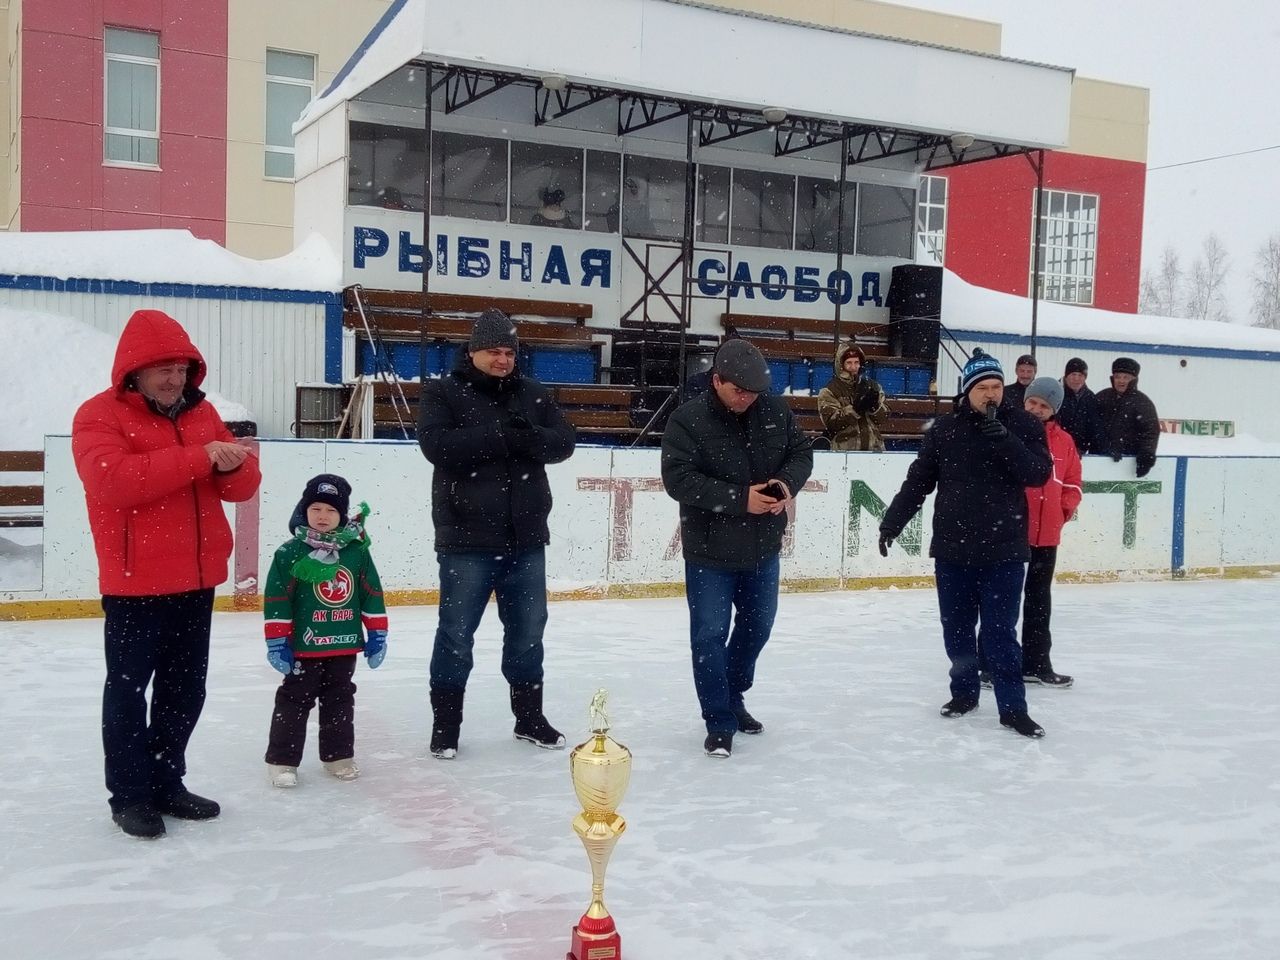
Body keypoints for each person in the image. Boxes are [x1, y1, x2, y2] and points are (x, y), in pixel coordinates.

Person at [72, 309, 262, 839]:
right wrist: (200, 458)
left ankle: (166, 781)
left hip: (196, 581)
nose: (175, 379)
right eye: (163, 369)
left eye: (181, 368)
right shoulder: (98, 416)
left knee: (184, 691)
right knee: (129, 693)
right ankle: (130, 796)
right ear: (133, 370)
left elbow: (243, 486)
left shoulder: (203, 415)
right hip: (136, 584)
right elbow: (116, 482)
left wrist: (234, 465)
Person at [418, 309, 576, 759]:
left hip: (526, 539)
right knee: (455, 635)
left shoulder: (533, 394)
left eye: (509, 352)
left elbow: (563, 442)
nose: (503, 360)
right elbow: (438, 447)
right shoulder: (443, 392)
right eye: (494, 352)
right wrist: (499, 437)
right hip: (466, 539)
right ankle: (446, 726)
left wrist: (525, 437)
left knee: (528, 634)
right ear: (473, 352)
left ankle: (528, 718)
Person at [878, 350, 1052, 739]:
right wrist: (892, 523)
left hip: (1004, 549)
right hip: (954, 549)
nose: (991, 394)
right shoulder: (945, 430)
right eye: (982, 388)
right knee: (956, 629)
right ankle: (964, 694)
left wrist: (1006, 441)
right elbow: (918, 482)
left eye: (996, 387)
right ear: (968, 390)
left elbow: (1039, 474)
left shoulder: (1023, 424)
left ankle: (1013, 709)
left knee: (1000, 632)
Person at [661, 339, 814, 758]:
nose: (746, 397)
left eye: (753, 390)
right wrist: (738, 499)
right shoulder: (687, 420)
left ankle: (733, 694)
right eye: (738, 389)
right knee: (710, 635)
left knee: (757, 628)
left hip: (763, 547)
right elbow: (678, 479)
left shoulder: (775, 412)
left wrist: (785, 483)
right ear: (717, 381)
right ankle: (719, 719)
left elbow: (801, 452)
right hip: (710, 552)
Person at [262, 475, 388, 787]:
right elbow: (278, 596)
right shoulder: (289, 552)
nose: (322, 516)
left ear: (342, 515)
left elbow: (370, 590)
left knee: (340, 699)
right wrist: (278, 640)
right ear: (303, 511)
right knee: (294, 700)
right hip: (305, 645)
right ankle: (282, 761)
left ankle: (338, 756)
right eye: (315, 508)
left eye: (331, 511)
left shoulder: (356, 551)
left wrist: (378, 633)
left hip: (343, 643)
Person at [980, 378, 1082, 690]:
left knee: (1039, 601)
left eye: (1045, 406)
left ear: (1054, 410)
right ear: (1024, 401)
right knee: (1001, 601)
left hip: (1046, 535)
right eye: (1033, 403)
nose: (1037, 410)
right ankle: (988, 664)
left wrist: (1063, 511)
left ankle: (1036, 664)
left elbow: (1073, 481)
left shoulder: (1064, 441)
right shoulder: (1007, 429)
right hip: (1011, 532)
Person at [816, 342, 889, 452]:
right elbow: (831, 423)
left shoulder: (873, 386)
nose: (853, 367)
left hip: (874, 449)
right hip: (844, 450)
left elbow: (883, 418)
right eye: (849, 363)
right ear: (841, 365)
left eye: (857, 362)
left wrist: (875, 407)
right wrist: (855, 409)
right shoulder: (829, 390)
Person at [1096, 357, 1160, 477]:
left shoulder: (1143, 402)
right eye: (1118, 376)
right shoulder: (1102, 397)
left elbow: (1150, 432)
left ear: (1134, 379)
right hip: (1099, 459)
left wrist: (1146, 455)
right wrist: (1104, 447)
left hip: (1128, 463)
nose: (1121, 381)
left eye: (1126, 377)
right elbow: (1091, 425)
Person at [1057, 357, 1105, 455]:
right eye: (1073, 374)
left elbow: (1095, 426)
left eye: (1080, 375)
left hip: (1079, 452)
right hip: (1056, 449)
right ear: (1066, 375)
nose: (1076, 379)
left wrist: (1104, 448)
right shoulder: (1055, 392)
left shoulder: (1090, 397)